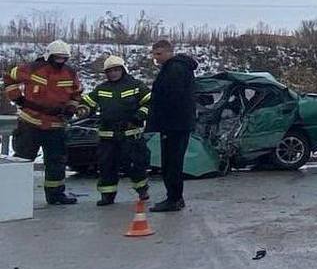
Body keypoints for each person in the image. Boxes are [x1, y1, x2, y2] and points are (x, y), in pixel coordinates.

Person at [2, 40, 82, 204]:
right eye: (57, 58)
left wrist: (71, 108)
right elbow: (9, 77)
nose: (61, 61)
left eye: (64, 58)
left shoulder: (70, 73)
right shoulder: (32, 69)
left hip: (56, 124)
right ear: (48, 56)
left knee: (56, 162)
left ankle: (56, 195)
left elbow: (77, 93)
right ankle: (14, 197)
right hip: (31, 123)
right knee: (22, 161)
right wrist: (17, 98)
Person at [78, 56, 151, 206]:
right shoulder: (102, 88)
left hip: (130, 134)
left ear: (123, 70)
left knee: (136, 164)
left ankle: (142, 189)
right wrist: (83, 109)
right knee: (107, 166)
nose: (113, 73)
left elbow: (150, 102)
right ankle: (107, 195)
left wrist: (140, 115)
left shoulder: (136, 86)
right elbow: (88, 102)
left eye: (116, 70)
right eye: (110, 71)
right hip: (108, 135)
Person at [146, 40, 197, 212]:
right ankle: (175, 197)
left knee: (171, 163)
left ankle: (174, 199)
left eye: (159, 54)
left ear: (169, 52)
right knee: (171, 162)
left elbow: (171, 98)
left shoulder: (175, 69)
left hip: (174, 124)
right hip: (177, 124)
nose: (155, 57)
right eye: (154, 54)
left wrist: (160, 118)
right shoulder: (175, 68)